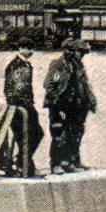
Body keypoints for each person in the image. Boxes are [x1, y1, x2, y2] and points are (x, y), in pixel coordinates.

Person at [43, 38, 96, 174]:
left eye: (82, 53)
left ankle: (72, 161)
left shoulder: (78, 65)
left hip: (75, 105)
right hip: (58, 104)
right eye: (79, 52)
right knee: (59, 134)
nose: (81, 55)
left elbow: (84, 84)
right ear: (69, 51)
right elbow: (49, 85)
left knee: (75, 133)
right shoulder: (59, 64)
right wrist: (58, 105)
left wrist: (90, 101)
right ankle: (56, 164)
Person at [0, 47, 42, 177]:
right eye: (28, 48)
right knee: (26, 136)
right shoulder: (16, 65)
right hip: (20, 107)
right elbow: (17, 88)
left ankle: (23, 162)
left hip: (25, 105)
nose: (31, 51)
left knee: (35, 134)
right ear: (20, 48)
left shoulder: (24, 64)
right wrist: (22, 104)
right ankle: (23, 164)